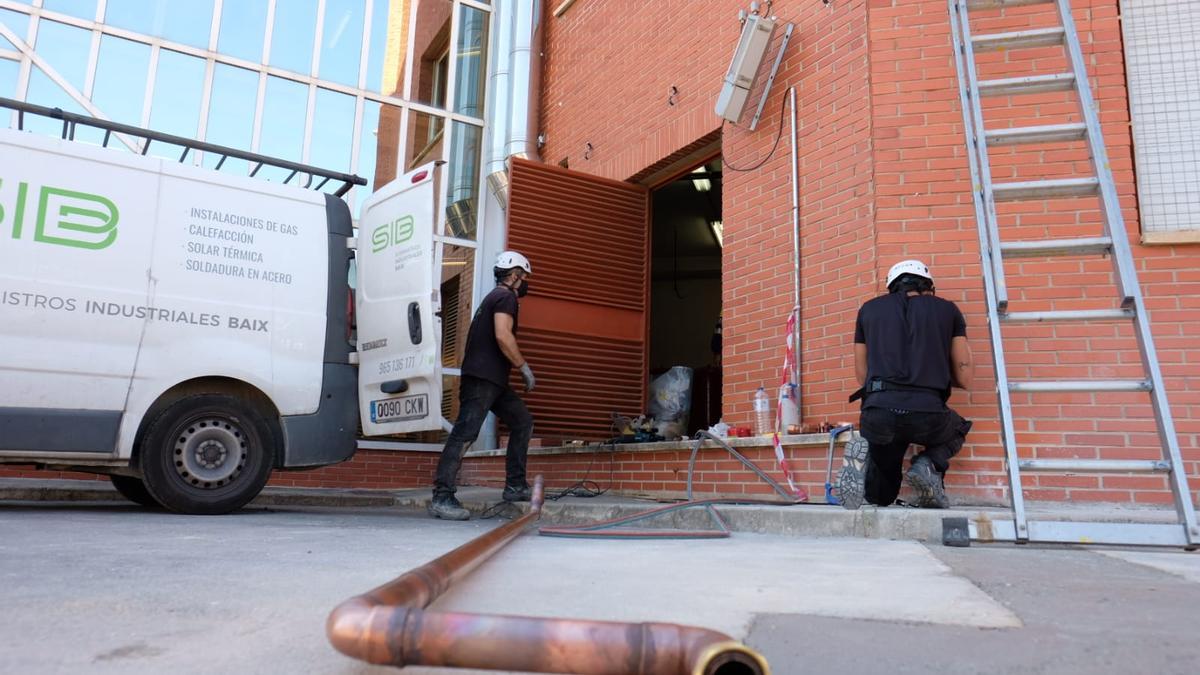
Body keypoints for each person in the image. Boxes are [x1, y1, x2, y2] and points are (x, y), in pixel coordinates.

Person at [838, 259, 974, 510]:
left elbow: (862, 375)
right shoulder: (948, 310)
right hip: (928, 412)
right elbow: (964, 375)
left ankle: (867, 459)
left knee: (881, 495)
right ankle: (929, 464)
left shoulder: (868, 310)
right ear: (928, 286)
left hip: (879, 412)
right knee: (958, 428)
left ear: (891, 286)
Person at [429, 251, 537, 521]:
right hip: (483, 378)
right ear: (513, 276)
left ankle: (515, 486)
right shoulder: (505, 297)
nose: (524, 282)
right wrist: (523, 366)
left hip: (493, 380)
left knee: (522, 421)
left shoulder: (493, 297)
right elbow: (503, 335)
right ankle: (442, 496)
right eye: (523, 277)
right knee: (465, 433)